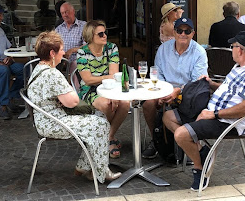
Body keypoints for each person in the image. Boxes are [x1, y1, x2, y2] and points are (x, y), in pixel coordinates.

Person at [163, 31, 245, 191]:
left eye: (233, 46)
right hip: (213, 112)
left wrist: (213, 114)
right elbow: (232, 90)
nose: (232, 49)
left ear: (240, 50)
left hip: (228, 122)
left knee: (181, 134)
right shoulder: (241, 67)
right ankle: (202, 151)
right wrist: (212, 84)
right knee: (167, 116)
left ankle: (200, 168)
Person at [27, 31, 121, 184]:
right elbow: (72, 102)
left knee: (99, 117)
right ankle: (101, 171)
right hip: (53, 123)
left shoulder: (38, 69)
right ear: (52, 53)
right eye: (61, 49)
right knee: (101, 123)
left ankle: (85, 167)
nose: (64, 52)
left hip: (44, 119)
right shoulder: (52, 74)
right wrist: (70, 89)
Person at [141, 17, 208, 159]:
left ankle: (188, 142)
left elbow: (196, 82)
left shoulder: (199, 52)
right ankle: (156, 139)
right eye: (179, 30)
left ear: (193, 33)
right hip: (165, 89)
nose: (183, 34)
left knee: (182, 105)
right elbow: (157, 74)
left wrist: (177, 92)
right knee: (148, 104)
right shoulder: (163, 49)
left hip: (188, 94)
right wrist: (163, 92)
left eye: (187, 31)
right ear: (174, 32)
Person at [76, 20, 130, 159]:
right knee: (107, 104)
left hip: (110, 88)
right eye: (100, 34)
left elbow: (114, 74)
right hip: (89, 90)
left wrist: (104, 79)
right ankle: (109, 140)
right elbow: (87, 80)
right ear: (90, 36)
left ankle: (108, 137)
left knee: (125, 103)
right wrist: (107, 77)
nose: (105, 36)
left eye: (105, 32)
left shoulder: (112, 48)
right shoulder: (83, 52)